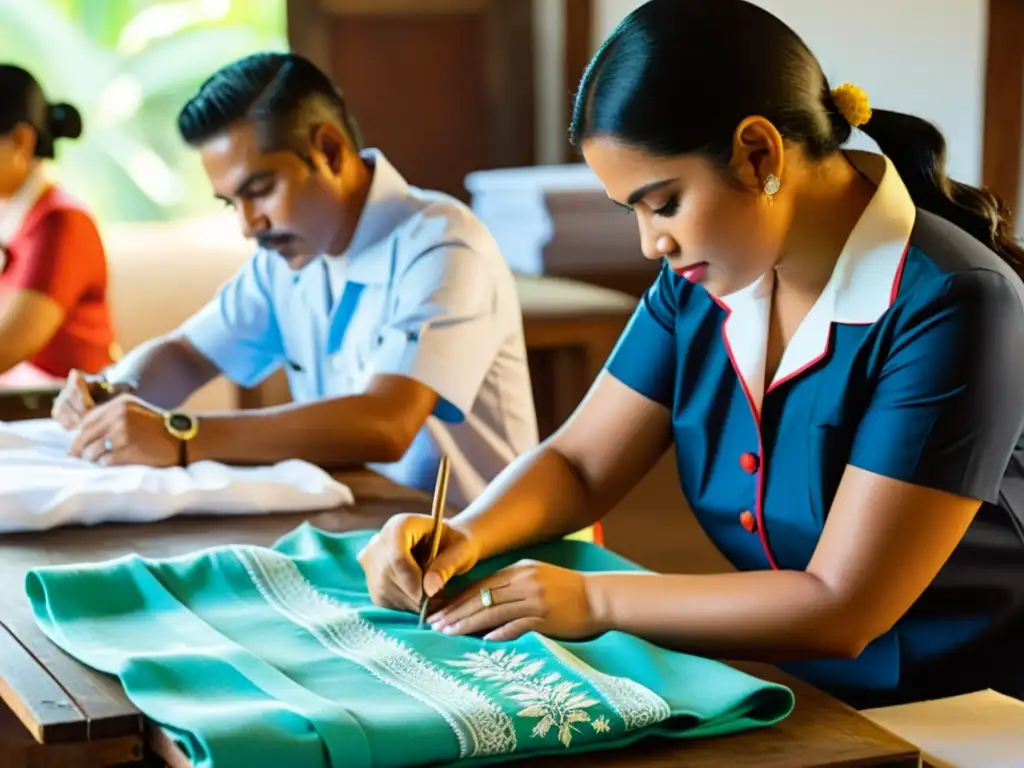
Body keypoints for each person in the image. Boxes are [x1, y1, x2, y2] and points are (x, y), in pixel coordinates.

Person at [356, 0, 1024, 709]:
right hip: (795, 684)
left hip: (972, 708)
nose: (652, 244)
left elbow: (844, 606)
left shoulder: (955, 300)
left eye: (664, 203)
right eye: (633, 213)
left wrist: (596, 600)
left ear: (759, 153)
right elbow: (579, 464)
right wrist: (463, 533)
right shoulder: (703, 281)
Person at [50, 52, 537, 509]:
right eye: (230, 203)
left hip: (480, 554)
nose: (247, 226)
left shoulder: (443, 245)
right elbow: (187, 354)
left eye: (259, 191)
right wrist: (115, 391)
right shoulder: (286, 261)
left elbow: (387, 423)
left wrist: (181, 435)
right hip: (363, 532)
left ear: (328, 150)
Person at [0, 65, 117, 387]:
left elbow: (10, 345)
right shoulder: (13, 216)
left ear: (21, 140)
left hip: (64, 411)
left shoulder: (61, 224)